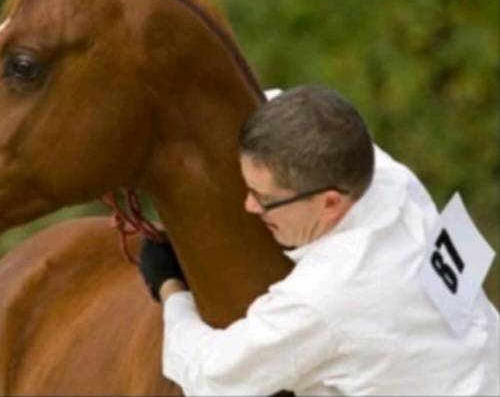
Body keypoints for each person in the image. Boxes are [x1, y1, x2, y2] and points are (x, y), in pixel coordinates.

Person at [138, 85, 499, 396]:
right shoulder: (392, 180)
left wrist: (170, 288)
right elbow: (276, 104)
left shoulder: (325, 297)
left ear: (329, 203)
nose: (249, 206)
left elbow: (210, 376)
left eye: (263, 198)